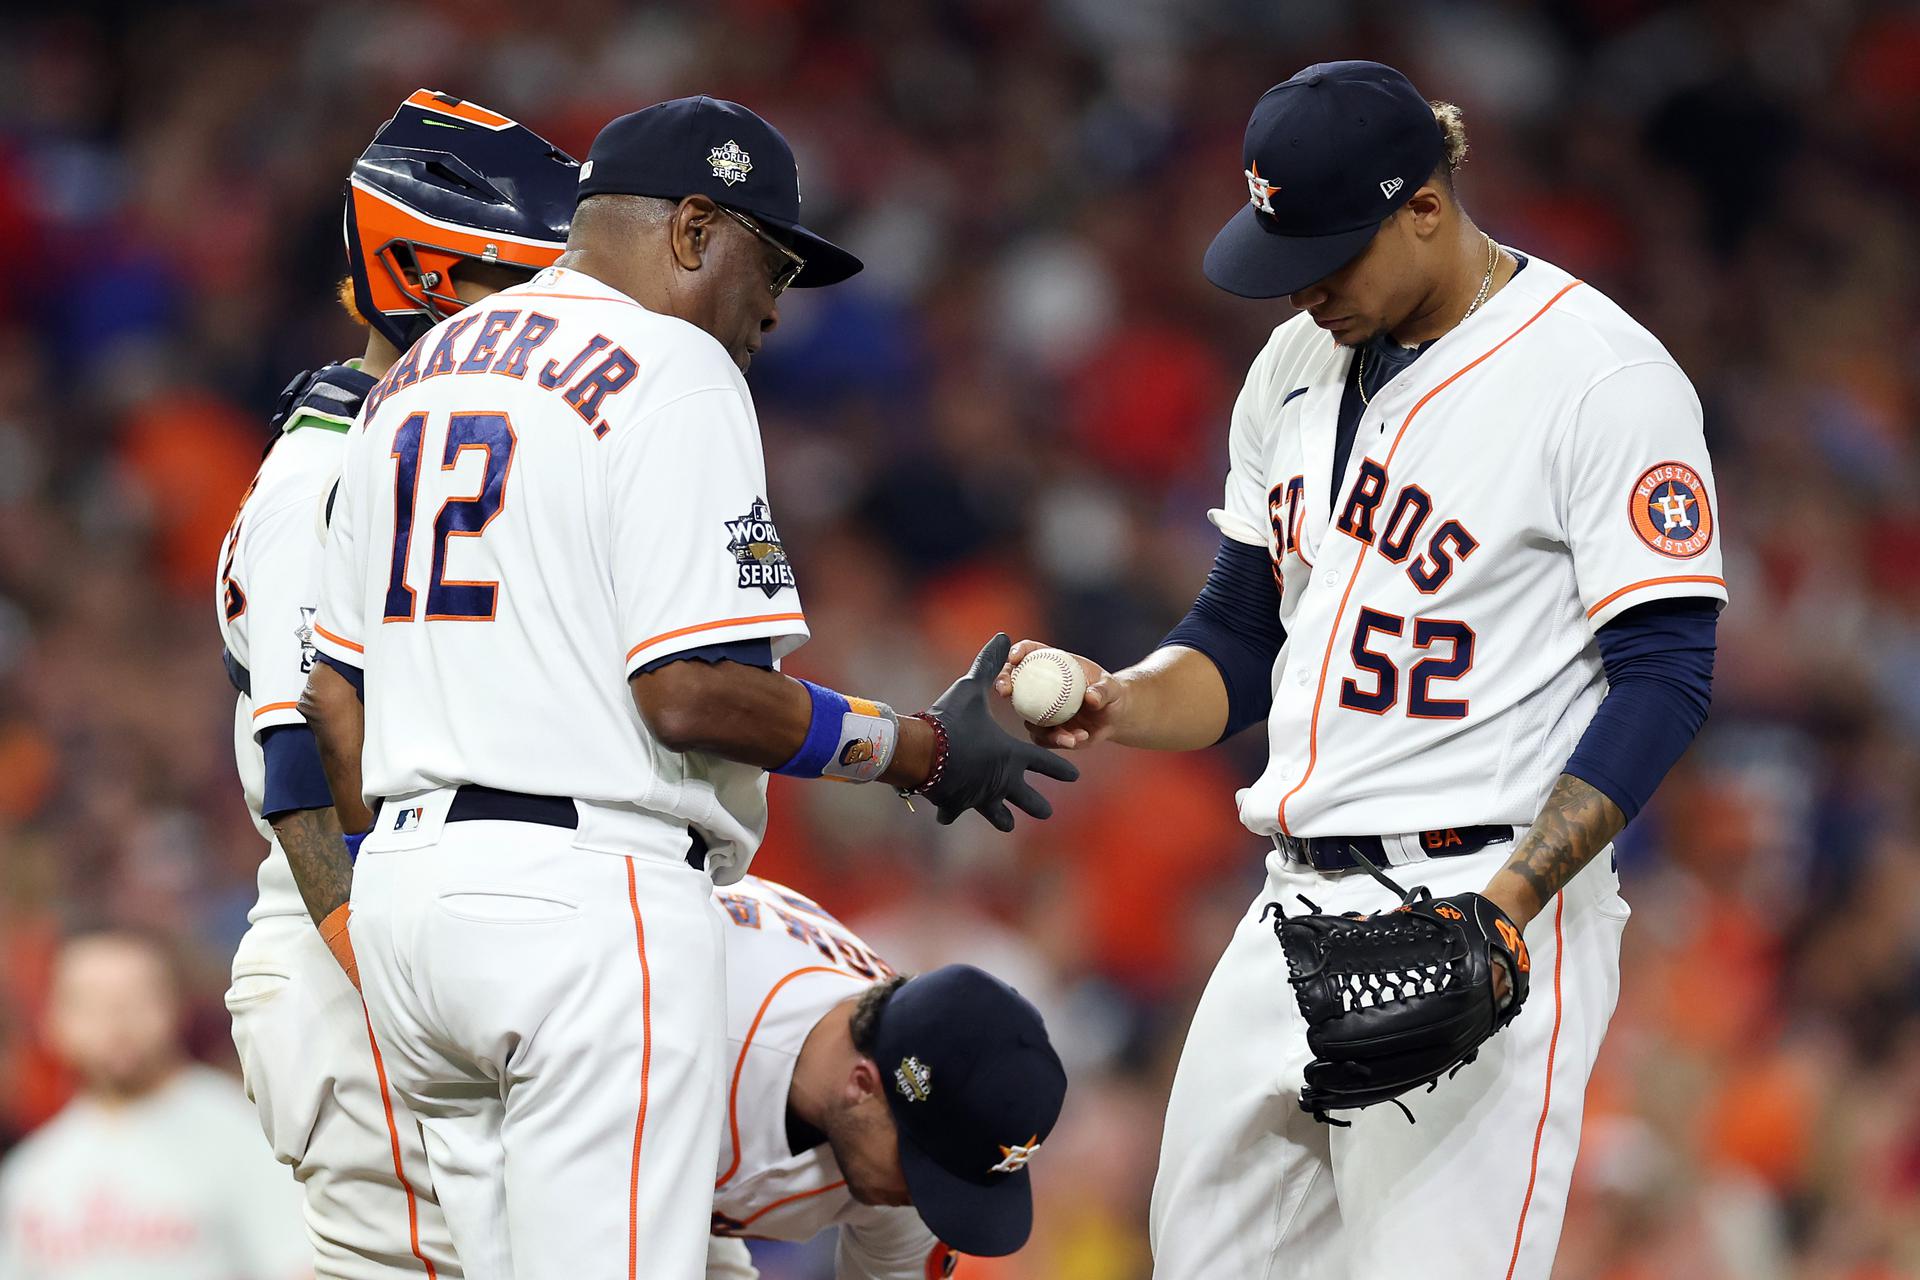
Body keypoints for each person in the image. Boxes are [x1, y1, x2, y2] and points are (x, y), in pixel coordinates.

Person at [300, 96, 1074, 1279]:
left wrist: (422, 853)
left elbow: (332, 706)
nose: (773, 306)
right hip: (581, 899)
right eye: (768, 264)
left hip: (409, 904)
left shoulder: (423, 367)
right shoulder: (676, 365)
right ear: (692, 227)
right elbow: (691, 693)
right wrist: (909, 747)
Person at [993, 61, 1723, 1279]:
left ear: (1426, 207)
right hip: (1289, 898)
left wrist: (1508, 906)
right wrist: (1120, 696)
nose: (1305, 286)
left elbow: (1667, 674)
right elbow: (1236, 635)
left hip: (1477, 905)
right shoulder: (1290, 365)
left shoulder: (1602, 377)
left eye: (1332, 251)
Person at [216, 88, 579, 1279]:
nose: (558, 317)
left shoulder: (411, 448)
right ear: (425, 275)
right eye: (524, 281)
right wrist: (399, 985)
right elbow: (302, 771)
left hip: (435, 958)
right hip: (360, 970)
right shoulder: (319, 482)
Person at [704, 876, 1066, 1278]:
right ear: (862, 1084)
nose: (926, 1199)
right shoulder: (699, 1015)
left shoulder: (914, 1161)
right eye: (923, 1171)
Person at [0, 929, 311, 1280]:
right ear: (52, 1020)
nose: (115, 1019)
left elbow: (300, 1266)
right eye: (90, 1002)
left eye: (134, 998)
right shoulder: (32, 1172)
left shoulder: (249, 1133)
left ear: (176, 1007)